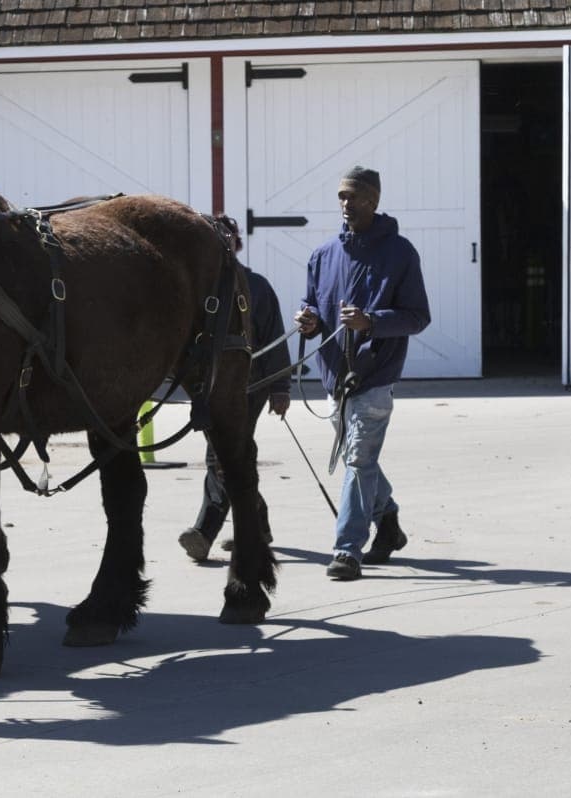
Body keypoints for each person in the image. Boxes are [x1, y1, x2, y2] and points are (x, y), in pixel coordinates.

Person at [294, 166, 431, 581]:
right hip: (334, 376)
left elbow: (417, 317)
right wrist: (309, 319)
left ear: (373, 200)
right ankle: (387, 523)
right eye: (340, 196)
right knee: (362, 458)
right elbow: (312, 303)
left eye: (353, 196)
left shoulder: (401, 253)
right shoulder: (323, 255)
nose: (345, 203)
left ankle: (347, 550)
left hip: (375, 375)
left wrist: (371, 321)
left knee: (357, 457)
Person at [179, 215, 291, 562]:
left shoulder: (256, 285)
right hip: (209, 386)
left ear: (235, 243)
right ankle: (257, 522)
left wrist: (281, 388)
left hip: (251, 385)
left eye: (225, 239)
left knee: (221, 454)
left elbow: (274, 335)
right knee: (234, 453)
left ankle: (204, 532)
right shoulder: (197, 287)